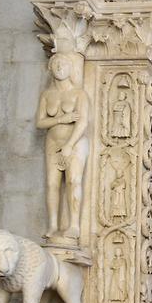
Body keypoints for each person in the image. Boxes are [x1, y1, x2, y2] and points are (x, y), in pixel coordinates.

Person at [36, 52, 90, 241]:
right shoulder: (47, 94)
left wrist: (69, 145)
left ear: (70, 69)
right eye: (56, 64)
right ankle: (52, 225)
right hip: (52, 142)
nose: (59, 67)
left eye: (63, 64)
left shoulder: (79, 94)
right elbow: (40, 122)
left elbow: (82, 122)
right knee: (52, 184)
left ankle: (74, 225)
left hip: (74, 142)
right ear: (50, 68)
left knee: (73, 181)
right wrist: (61, 118)